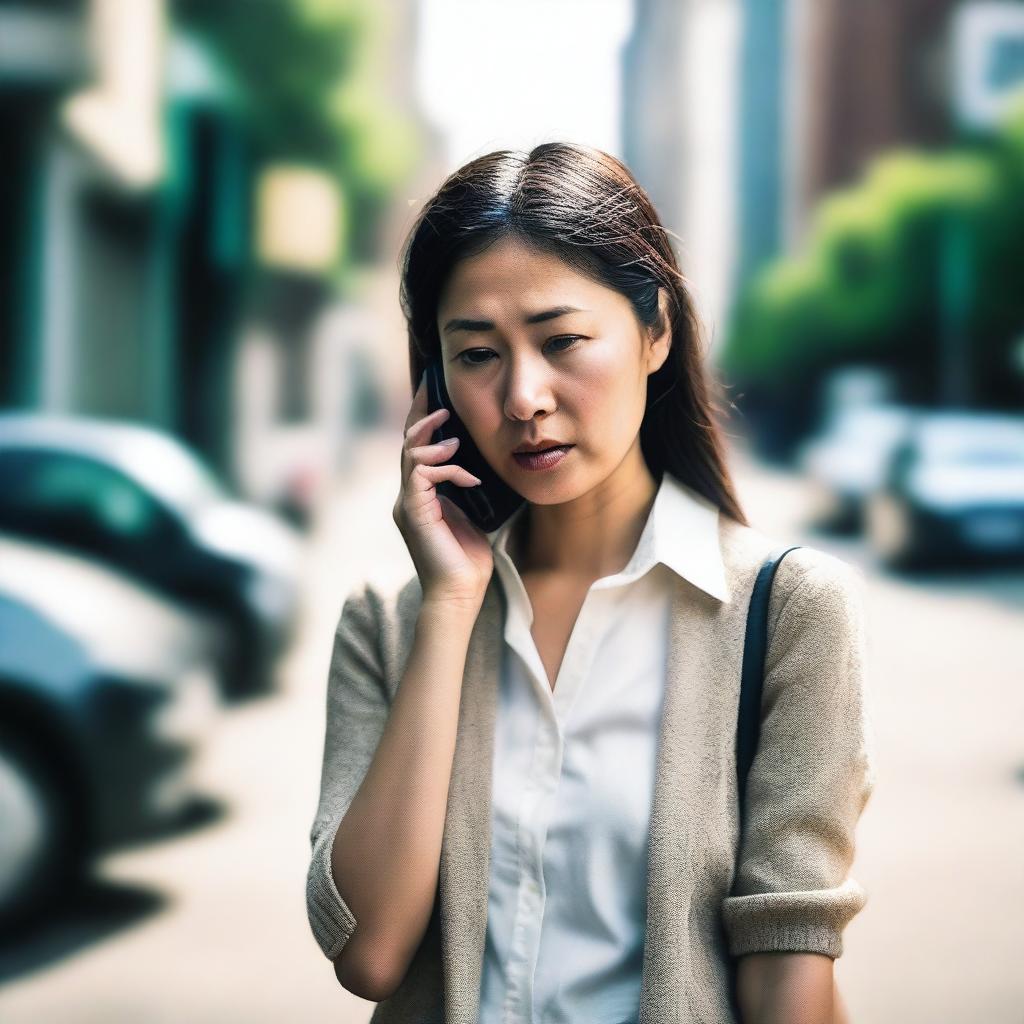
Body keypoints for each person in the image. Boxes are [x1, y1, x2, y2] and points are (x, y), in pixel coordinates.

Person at [305, 142, 875, 1024]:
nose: (524, 396)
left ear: (655, 333)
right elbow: (371, 953)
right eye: (478, 355)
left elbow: (788, 967)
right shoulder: (390, 623)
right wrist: (451, 607)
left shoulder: (788, 611)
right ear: (435, 382)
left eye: (562, 340)